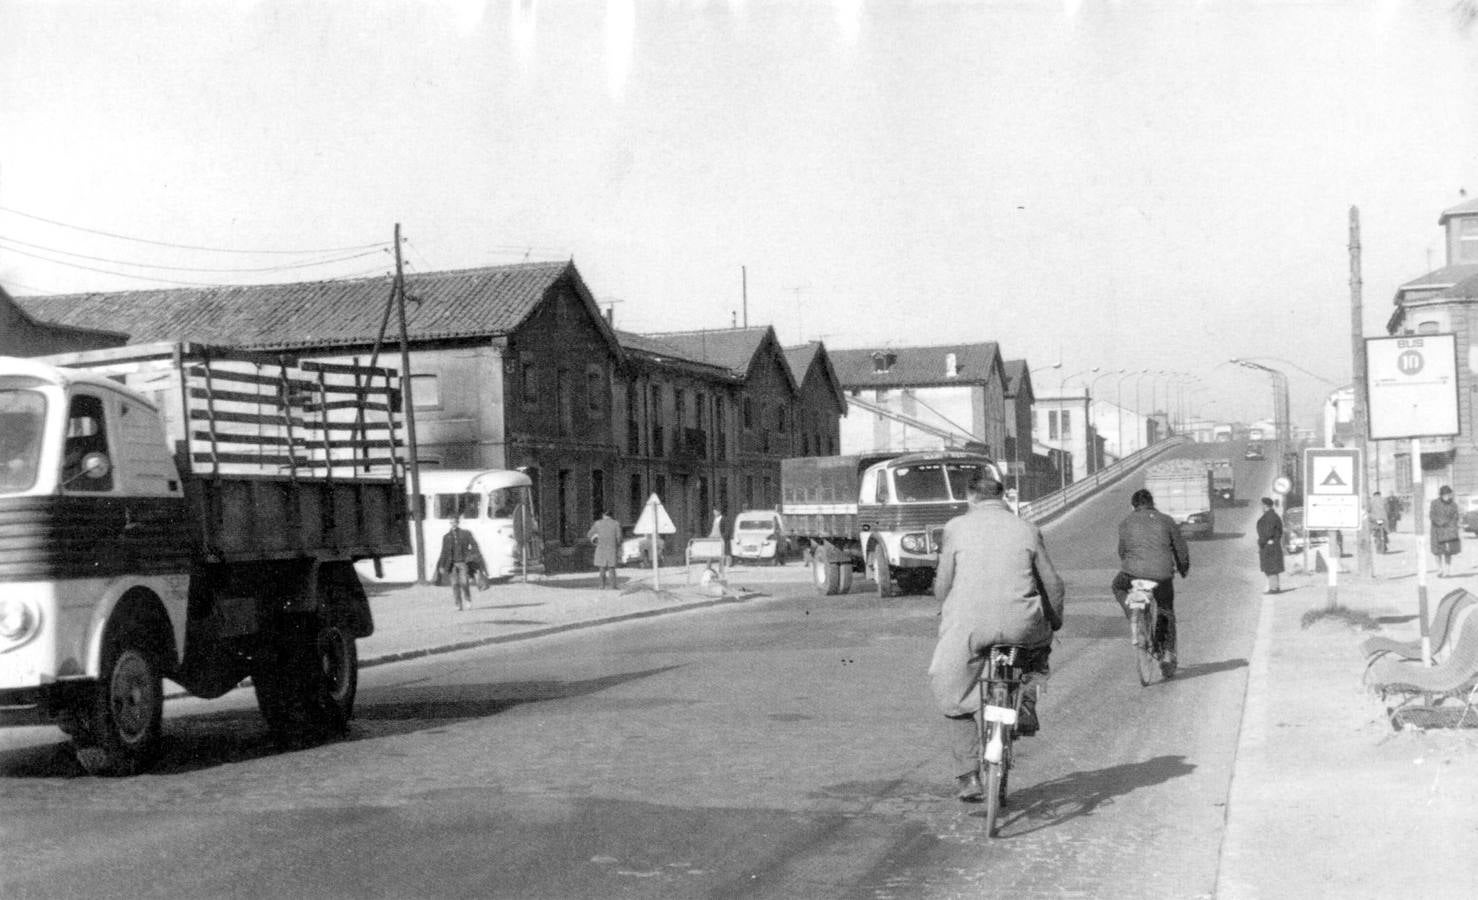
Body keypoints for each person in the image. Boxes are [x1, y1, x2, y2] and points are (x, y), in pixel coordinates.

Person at [927, 473, 1065, 803]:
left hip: (969, 625)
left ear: (970, 498)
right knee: (1035, 653)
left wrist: (946, 605)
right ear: (1004, 497)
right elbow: (1053, 585)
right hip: (1021, 624)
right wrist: (1052, 624)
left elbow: (942, 587)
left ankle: (969, 775)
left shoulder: (955, 528)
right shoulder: (1027, 529)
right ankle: (1026, 700)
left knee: (950, 687)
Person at [1113, 488, 1191, 657]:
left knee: (1117, 586)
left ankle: (1132, 612)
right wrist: (1183, 568)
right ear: (1152, 503)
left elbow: (1122, 551)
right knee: (1166, 609)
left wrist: (1131, 564)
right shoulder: (1167, 520)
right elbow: (1180, 549)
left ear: (1133, 506)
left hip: (1133, 575)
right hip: (1162, 576)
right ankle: (1167, 654)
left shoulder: (1125, 522)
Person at [436, 515, 484, 611]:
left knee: (464, 582)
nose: (453, 524)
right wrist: (441, 565)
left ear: (458, 522)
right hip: (451, 564)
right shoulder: (446, 537)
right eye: (451, 522)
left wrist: (471, 555)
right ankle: (458, 604)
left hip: (463, 562)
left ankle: (468, 600)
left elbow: (474, 544)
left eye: (455, 522)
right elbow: (443, 552)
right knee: (454, 584)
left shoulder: (465, 534)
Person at [1431, 485, 1462, 577]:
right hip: (1437, 530)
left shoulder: (1453, 505)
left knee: (1448, 552)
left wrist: (1450, 526)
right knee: (1437, 552)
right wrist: (1441, 523)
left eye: (1449, 495)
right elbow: (1432, 515)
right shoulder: (1434, 503)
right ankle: (1439, 570)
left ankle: (1447, 571)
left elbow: (1456, 517)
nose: (1448, 497)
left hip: (1449, 531)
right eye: (1445, 495)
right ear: (1441, 495)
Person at [1255, 497, 1284, 593]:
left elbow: (1268, 532)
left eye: (1261, 505)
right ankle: (1273, 586)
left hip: (1270, 546)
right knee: (1270, 567)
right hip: (1270, 545)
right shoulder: (1271, 515)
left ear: (1265, 505)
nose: (1261, 507)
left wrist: (1261, 542)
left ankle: (1274, 588)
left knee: (1271, 567)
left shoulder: (1270, 517)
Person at [587, 510, 622, 589]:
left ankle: (601, 586)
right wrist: (618, 545)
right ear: (611, 515)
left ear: (603, 515)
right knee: (611, 569)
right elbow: (619, 538)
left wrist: (595, 541)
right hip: (612, 549)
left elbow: (589, 534)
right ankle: (613, 586)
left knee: (602, 568)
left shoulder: (598, 523)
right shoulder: (616, 524)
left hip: (601, 549)